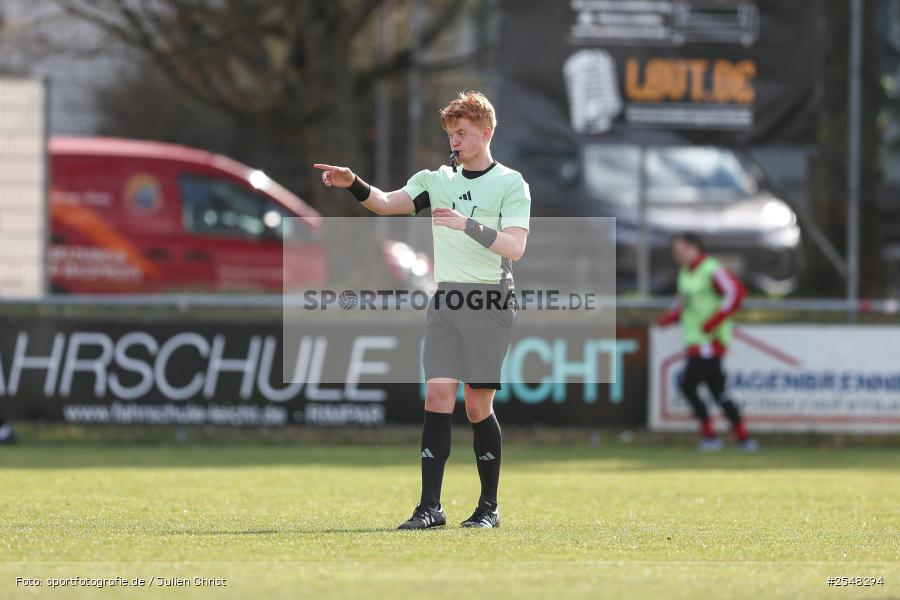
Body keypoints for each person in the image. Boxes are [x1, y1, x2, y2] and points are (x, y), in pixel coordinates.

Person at [314, 91, 530, 528]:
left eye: (463, 133)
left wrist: (466, 224)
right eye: (451, 133)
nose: (455, 141)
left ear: (487, 133)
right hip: (447, 299)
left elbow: (516, 246)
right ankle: (430, 508)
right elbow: (388, 203)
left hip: (490, 299)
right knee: (436, 397)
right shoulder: (436, 180)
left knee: (476, 407)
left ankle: (488, 508)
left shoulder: (511, 183)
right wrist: (353, 183)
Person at [656, 232, 758, 452]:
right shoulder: (685, 272)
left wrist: (715, 320)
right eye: (676, 252)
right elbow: (683, 302)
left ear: (694, 248)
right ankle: (743, 438)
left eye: (681, 250)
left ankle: (711, 437)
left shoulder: (712, 269)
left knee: (688, 386)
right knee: (718, 392)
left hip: (709, 342)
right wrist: (669, 318)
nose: (678, 255)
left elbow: (736, 292)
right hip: (695, 340)